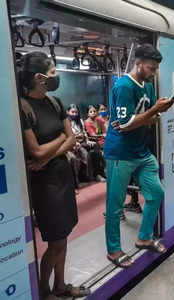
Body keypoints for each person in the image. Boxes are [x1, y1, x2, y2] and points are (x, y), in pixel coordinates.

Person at [18, 51, 90, 299]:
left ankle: (60, 286)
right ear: (39, 78)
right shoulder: (23, 107)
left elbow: (71, 140)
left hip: (62, 176)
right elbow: (35, 151)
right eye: (52, 73)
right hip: (44, 184)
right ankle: (43, 290)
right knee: (55, 241)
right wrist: (60, 139)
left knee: (64, 235)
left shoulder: (56, 102)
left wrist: (50, 152)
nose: (55, 77)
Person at [103, 44, 174, 268]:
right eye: (151, 68)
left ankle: (144, 237)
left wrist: (151, 114)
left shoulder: (148, 86)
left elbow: (146, 119)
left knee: (156, 193)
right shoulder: (124, 87)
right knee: (115, 206)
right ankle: (113, 250)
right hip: (120, 154)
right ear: (138, 64)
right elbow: (125, 124)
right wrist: (149, 114)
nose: (154, 73)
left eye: (155, 69)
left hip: (141, 152)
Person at [66, 104, 106, 184]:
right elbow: (69, 135)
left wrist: (87, 140)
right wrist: (75, 142)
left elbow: (84, 133)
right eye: (72, 112)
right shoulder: (66, 122)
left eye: (76, 112)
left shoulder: (80, 121)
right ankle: (89, 176)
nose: (74, 114)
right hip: (75, 143)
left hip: (83, 142)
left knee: (95, 146)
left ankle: (99, 174)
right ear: (67, 112)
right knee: (84, 152)